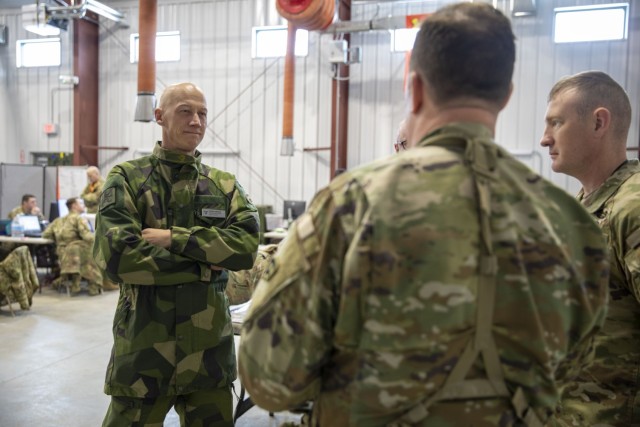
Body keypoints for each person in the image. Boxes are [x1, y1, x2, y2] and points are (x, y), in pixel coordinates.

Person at [238, 4, 610, 426]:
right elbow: (572, 367)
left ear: (415, 89)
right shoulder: (570, 221)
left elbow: (267, 376)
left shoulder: (351, 205)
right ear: (505, 96)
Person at [94, 82, 259, 426]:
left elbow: (244, 249)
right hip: (144, 353)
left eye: (202, 113)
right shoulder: (127, 179)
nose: (196, 121)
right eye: (185, 110)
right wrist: (207, 264)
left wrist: (175, 238)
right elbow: (119, 259)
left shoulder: (224, 185)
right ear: (159, 116)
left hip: (209, 354)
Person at [540, 71, 638, 426]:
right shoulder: (581, 208)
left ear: (599, 122)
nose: (544, 139)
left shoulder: (632, 207)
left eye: (556, 123)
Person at [43, 198, 102, 296]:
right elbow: (86, 236)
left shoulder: (58, 220)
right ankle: (93, 285)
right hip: (76, 256)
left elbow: (46, 234)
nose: (84, 206)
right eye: (81, 203)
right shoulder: (79, 219)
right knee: (95, 252)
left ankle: (70, 281)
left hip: (62, 255)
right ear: (74, 206)